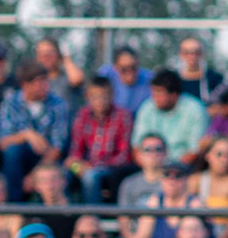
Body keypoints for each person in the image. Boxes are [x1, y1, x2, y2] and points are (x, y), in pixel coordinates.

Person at [0, 61, 73, 202]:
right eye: (40, 82)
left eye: (46, 81)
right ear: (25, 85)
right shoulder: (10, 102)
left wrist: (34, 176)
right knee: (12, 152)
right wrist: (27, 135)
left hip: (48, 159)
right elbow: (3, 141)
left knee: (59, 172)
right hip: (20, 160)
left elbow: (57, 148)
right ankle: (13, 207)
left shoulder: (58, 104)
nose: (46, 86)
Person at [68, 76, 135, 204]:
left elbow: (123, 156)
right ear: (87, 97)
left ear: (112, 95)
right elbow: (75, 153)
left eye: (104, 96)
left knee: (90, 177)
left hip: (110, 168)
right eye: (95, 97)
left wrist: (93, 166)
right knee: (61, 176)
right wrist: (77, 166)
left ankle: (92, 214)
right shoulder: (82, 115)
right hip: (84, 166)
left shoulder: (123, 116)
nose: (100, 101)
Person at [130, 70, 210, 165]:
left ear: (174, 95)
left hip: (182, 167)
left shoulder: (195, 110)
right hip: (150, 166)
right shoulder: (147, 107)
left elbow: (195, 151)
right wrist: (150, 167)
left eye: (159, 93)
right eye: (153, 93)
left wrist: (170, 169)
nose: (154, 98)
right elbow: (136, 147)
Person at [117, 134, 170, 209]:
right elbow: (123, 215)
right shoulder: (128, 184)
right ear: (139, 154)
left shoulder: (174, 183)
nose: (153, 154)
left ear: (166, 153)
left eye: (158, 149)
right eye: (147, 150)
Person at [97, 47, 154, 114]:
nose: (130, 72)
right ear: (115, 68)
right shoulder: (105, 75)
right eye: (124, 69)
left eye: (133, 67)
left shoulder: (149, 79)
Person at [174, 36, 227, 102]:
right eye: (186, 52)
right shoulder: (173, 80)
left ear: (201, 54)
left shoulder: (215, 79)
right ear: (181, 54)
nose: (192, 56)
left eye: (196, 52)